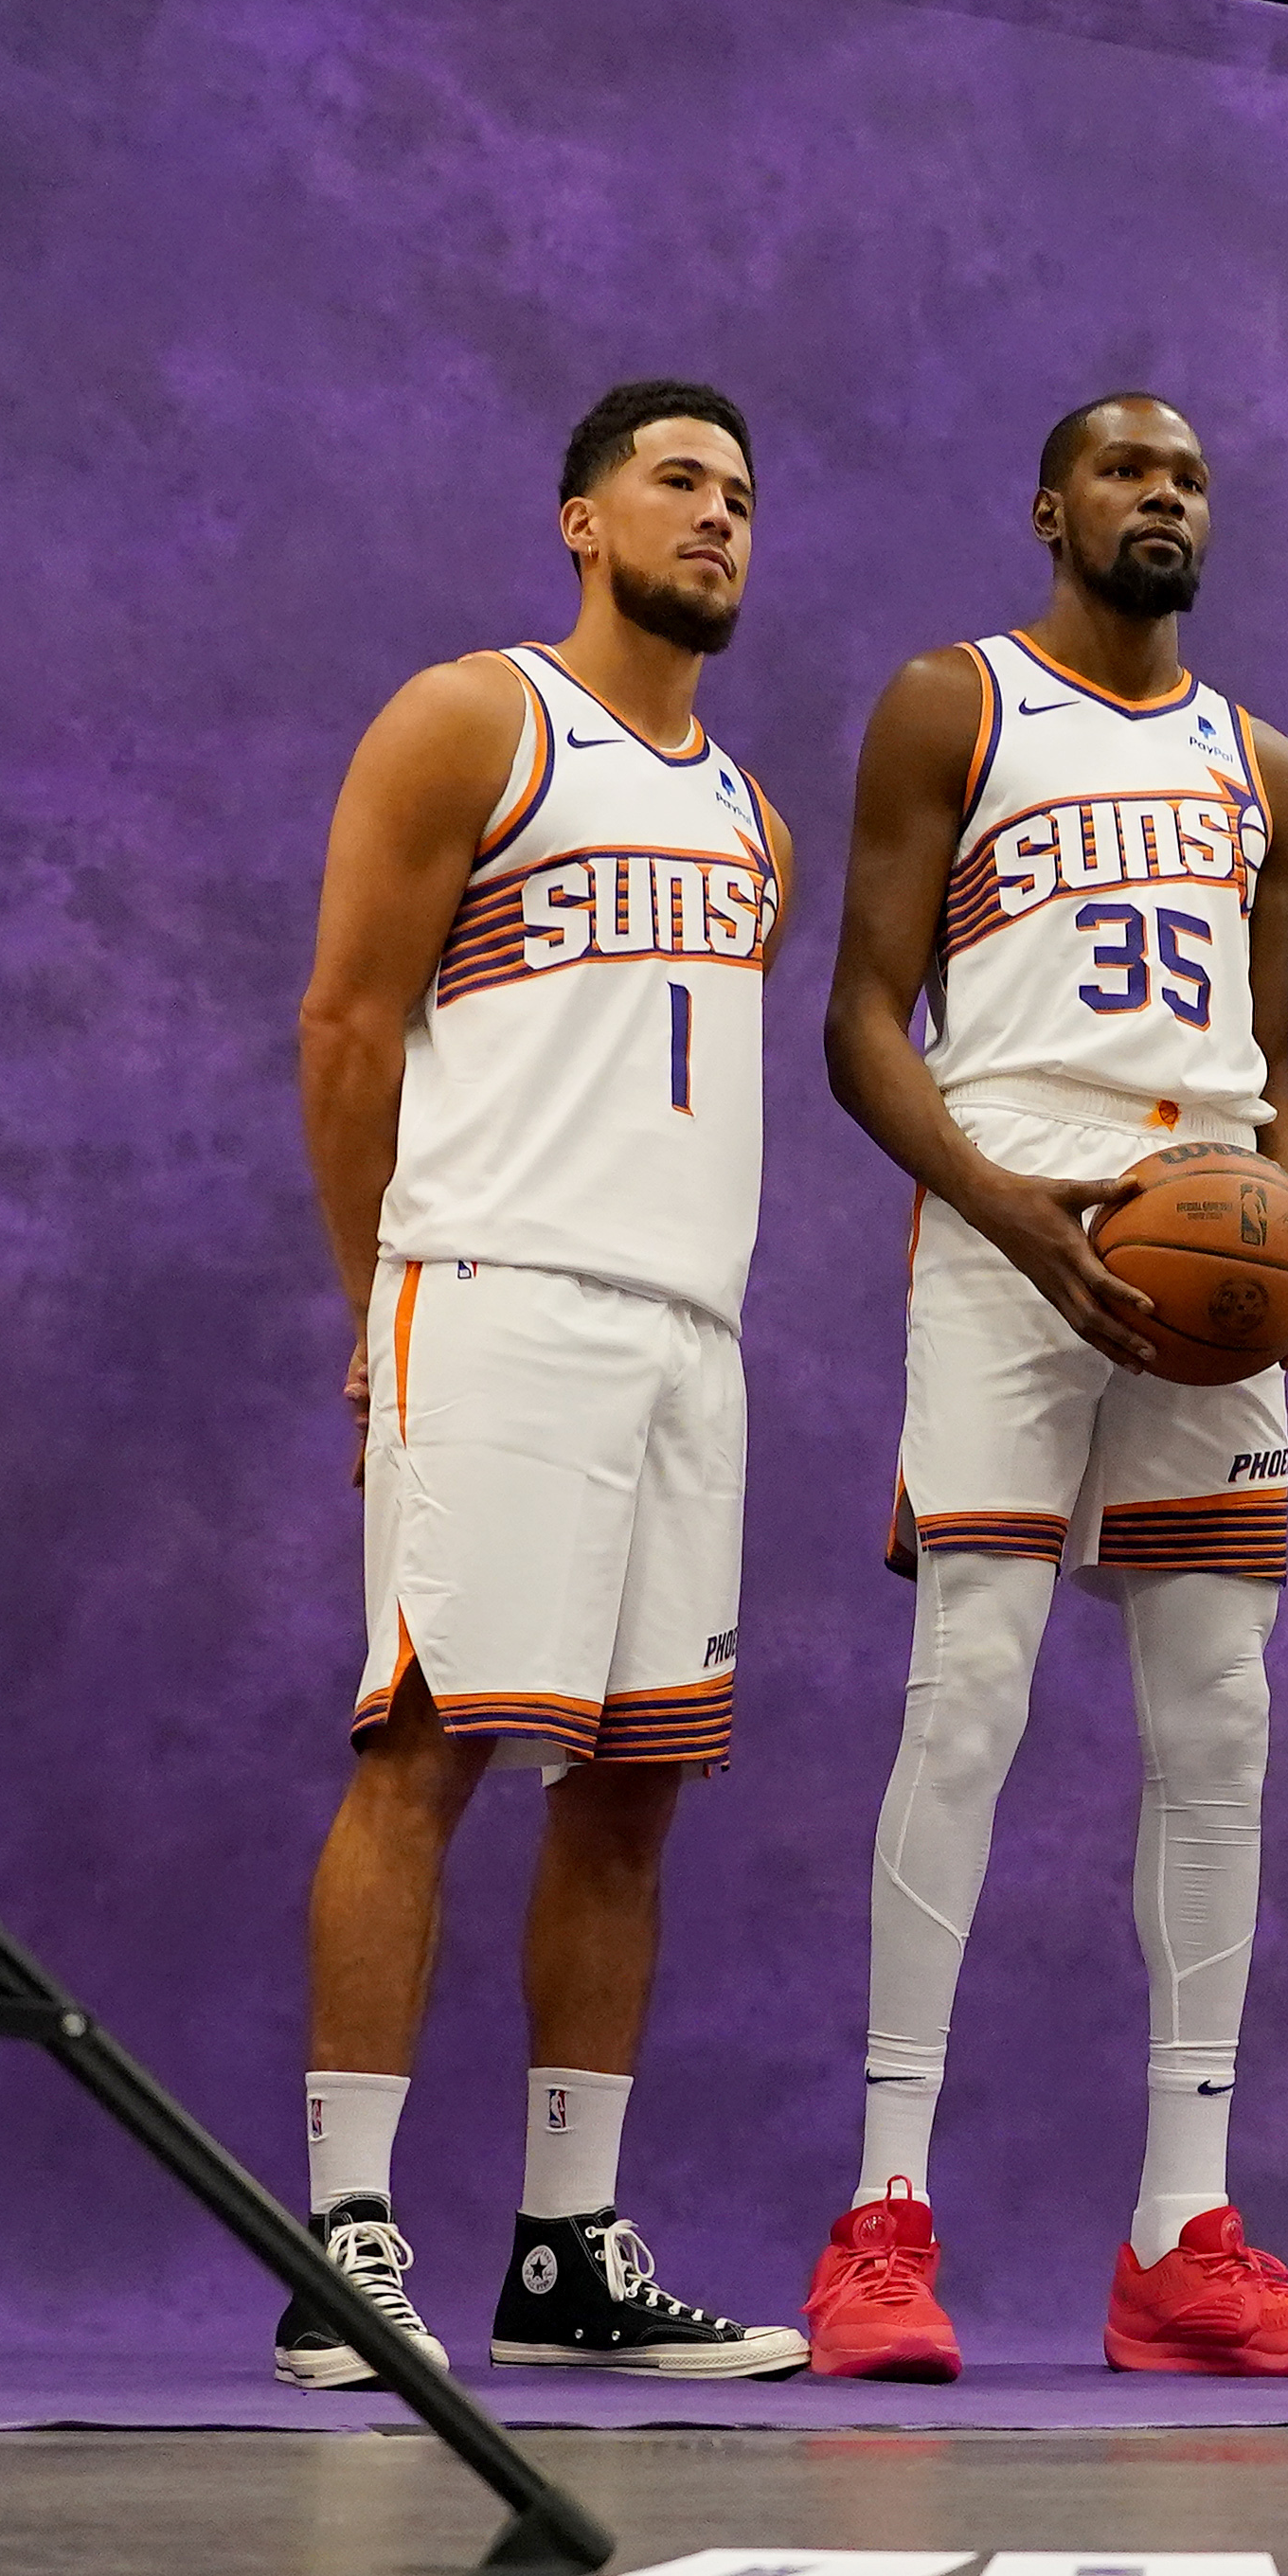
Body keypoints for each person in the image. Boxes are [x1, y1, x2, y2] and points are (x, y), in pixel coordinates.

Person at [799, 391, 1288, 2383]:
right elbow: (862, 1021)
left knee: (1220, 1725)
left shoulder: (1266, 767)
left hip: (1206, 1255)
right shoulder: (949, 703)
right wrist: (1000, 1204)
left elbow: (1257, 1056)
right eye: (1128, 471)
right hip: (1008, 1223)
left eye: (1194, 475)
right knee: (968, 1694)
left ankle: (1183, 2237)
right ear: (1052, 503)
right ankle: (884, 2217)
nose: (1164, 495)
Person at [273, 379, 806, 2387]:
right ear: (581, 518)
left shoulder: (752, 815)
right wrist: (376, 1290)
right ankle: (344, 2238)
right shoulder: (476, 717)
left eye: (744, 495)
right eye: (679, 482)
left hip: (690, 1328)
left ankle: (567, 2246)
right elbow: (344, 1026)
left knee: (639, 1786)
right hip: (492, 1287)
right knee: (425, 1747)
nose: (719, 518)